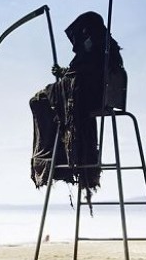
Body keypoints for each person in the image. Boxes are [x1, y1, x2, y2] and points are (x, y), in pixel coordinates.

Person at [30, 12, 126, 201]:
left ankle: (55, 157)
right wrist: (65, 73)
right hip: (93, 100)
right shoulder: (105, 48)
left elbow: (84, 78)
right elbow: (81, 73)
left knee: (39, 101)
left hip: (86, 102)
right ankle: (58, 155)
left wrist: (64, 80)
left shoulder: (100, 49)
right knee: (45, 100)